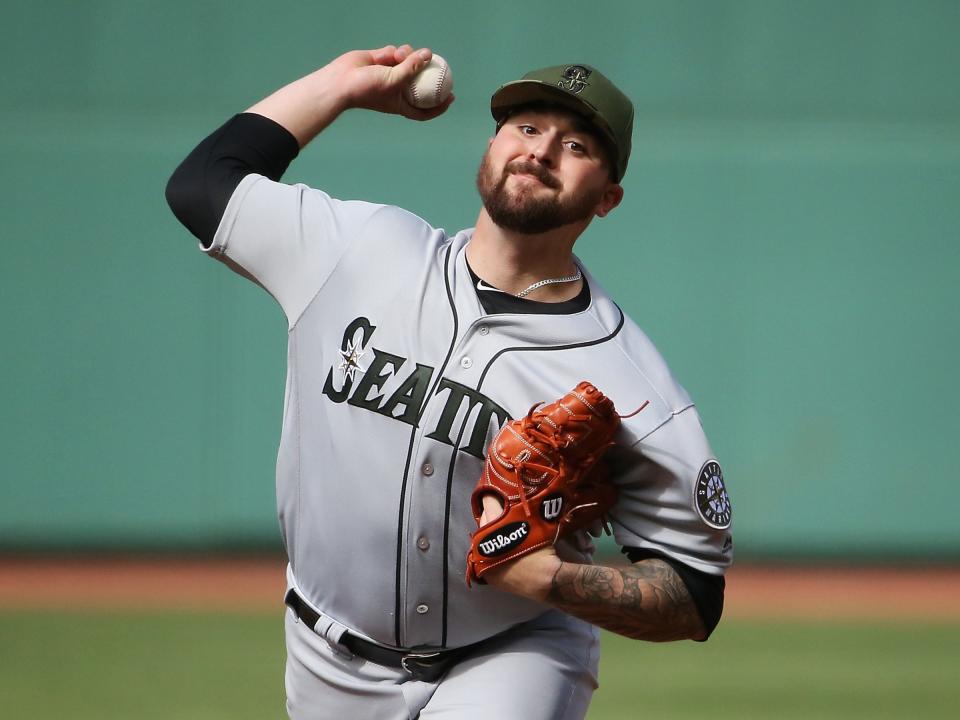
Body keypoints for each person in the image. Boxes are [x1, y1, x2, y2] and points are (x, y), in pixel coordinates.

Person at [166, 44, 733, 720]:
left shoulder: (631, 382)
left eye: (575, 144)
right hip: (325, 656)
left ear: (607, 198)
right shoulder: (360, 249)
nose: (541, 150)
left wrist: (557, 579)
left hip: (514, 654)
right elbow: (202, 184)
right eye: (526, 127)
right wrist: (339, 86)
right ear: (492, 146)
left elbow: (695, 594)